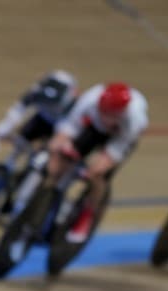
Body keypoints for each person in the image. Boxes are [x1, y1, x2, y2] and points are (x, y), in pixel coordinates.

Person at [38, 81, 149, 243]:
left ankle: (87, 214)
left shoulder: (135, 120)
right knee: (58, 158)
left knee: (96, 174)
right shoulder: (91, 98)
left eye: (111, 115)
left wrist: (96, 168)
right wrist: (60, 144)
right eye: (103, 111)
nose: (106, 117)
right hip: (94, 130)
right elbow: (69, 126)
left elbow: (116, 151)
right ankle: (42, 198)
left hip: (118, 139)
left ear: (121, 113)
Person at [0, 70, 79, 156]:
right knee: (19, 145)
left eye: (52, 102)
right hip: (42, 119)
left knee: (51, 153)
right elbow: (15, 113)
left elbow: (66, 128)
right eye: (45, 99)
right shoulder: (36, 91)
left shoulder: (71, 103)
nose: (47, 103)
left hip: (62, 124)